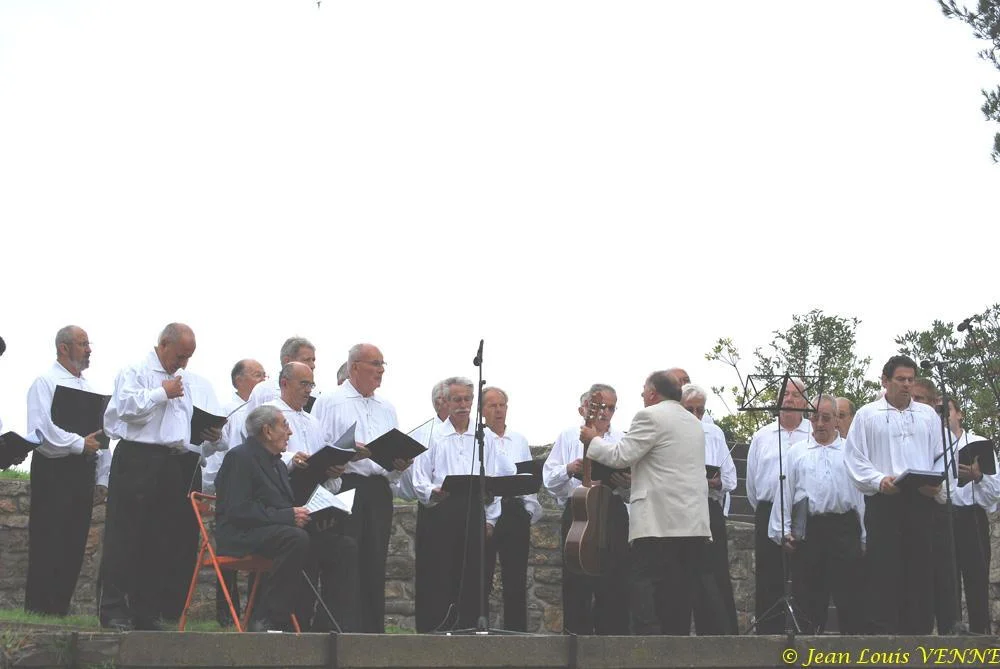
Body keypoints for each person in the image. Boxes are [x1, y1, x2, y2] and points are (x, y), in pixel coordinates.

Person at [581, 370, 710, 635]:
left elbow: (620, 456)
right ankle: (675, 645)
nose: (642, 396)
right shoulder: (693, 422)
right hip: (692, 522)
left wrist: (592, 440)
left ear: (652, 393)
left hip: (658, 520)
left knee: (641, 581)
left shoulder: (650, 415)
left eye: (643, 392)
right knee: (678, 589)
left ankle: (647, 641)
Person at [99, 323, 208, 630]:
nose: (184, 363)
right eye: (180, 355)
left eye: (189, 357)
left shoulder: (181, 379)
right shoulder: (134, 371)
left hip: (171, 461)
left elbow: (179, 423)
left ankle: (145, 611)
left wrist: (203, 431)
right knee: (126, 536)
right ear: (163, 344)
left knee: (160, 538)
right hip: (137, 458)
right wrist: (162, 393)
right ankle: (113, 610)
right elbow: (126, 410)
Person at [312, 343, 410, 633]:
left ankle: (372, 629)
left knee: (375, 558)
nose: (381, 370)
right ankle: (342, 627)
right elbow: (318, 445)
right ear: (354, 367)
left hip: (378, 487)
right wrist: (344, 453)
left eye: (383, 364)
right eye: (375, 364)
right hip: (347, 484)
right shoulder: (331, 401)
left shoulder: (387, 407)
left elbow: (392, 448)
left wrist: (399, 463)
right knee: (346, 556)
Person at [845, 355, 944, 634]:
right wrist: (878, 480)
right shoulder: (867, 414)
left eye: (911, 380)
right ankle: (884, 632)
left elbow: (940, 454)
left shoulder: (927, 415)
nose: (906, 385)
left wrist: (936, 481)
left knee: (920, 567)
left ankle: (919, 631)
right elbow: (854, 458)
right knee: (884, 568)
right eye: (900, 379)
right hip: (885, 500)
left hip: (920, 499)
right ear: (885, 381)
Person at [265, 362, 360, 632]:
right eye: (303, 384)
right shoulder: (268, 413)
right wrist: (290, 459)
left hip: (314, 498)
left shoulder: (313, 422)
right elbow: (257, 458)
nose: (308, 391)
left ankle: (330, 624)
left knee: (346, 548)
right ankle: (292, 623)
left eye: (311, 385)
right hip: (283, 500)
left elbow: (323, 463)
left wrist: (333, 470)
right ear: (284, 383)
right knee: (302, 548)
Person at [410, 377, 509, 632]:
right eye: (457, 400)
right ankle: (435, 628)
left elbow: (493, 480)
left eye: (467, 399)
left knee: (472, 575)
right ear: (446, 402)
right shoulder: (431, 433)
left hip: (472, 509)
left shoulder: (483, 436)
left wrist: (490, 519)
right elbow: (418, 477)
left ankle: (469, 628)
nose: (463, 405)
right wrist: (433, 491)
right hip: (441, 510)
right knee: (438, 574)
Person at [24, 326, 104, 616]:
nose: (89, 349)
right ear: (63, 348)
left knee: (74, 539)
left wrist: (101, 470)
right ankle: (38, 608)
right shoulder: (44, 382)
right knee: (48, 537)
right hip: (54, 468)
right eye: (83, 344)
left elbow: (101, 435)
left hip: (81, 470)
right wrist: (78, 443)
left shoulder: (90, 388)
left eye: (88, 343)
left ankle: (59, 607)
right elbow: (41, 430)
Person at [769, 394, 864, 634]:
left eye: (826, 418)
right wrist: (782, 530)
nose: (820, 423)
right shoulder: (797, 452)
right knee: (808, 597)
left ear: (836, 420)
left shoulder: (850, 451)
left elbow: (859, 496)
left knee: (851, 597)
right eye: (815, 418)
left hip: (844, 528)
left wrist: (865, 534)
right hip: (810, 530)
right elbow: (786, 491)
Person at [542, 384, 630, 635]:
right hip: (578, 510)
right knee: (576, 580)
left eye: (611, 408)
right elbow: (549, 478)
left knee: (615, 581)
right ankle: (575, 644)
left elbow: (632, 488)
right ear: (588, 408)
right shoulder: (570, 435)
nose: (605, 413)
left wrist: (625, 482)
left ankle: (612, 643)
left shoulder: (622, 439)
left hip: (611, 510)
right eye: (601, 407)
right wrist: (569, 468)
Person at [214, 405, 311, 632]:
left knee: (341, 544)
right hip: (240, 534)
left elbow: (282, 505)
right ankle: (268, 617)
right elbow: (238, 510)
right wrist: (288, 516)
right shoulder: (239, 457)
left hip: (270, 531)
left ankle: (324, 621)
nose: (290, 433)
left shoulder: (277, 463)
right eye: (285, 426)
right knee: (295, 539)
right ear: (267, 431)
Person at [745, 376, 811, 634]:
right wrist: (767, 512)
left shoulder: (811, 434)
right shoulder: (762, 436)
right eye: (785, 394)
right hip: (767, 508)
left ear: (805, 401)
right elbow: (751, 483)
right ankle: (767, 634)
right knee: (768, 576)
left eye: (795, 395)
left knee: (805, 574)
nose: (789, 399)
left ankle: (806, 630)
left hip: (802, 511)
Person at [482, 386, 542, 632]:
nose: (498, 410)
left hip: (515, 511)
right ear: (482, 410)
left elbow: (527, 477)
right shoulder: (479, 440)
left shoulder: (519, 439)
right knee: (482, 576)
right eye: (492, 405)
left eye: (502, 405)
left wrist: (528, 510)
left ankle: (517, 634)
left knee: (516, 578)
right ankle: (478, 630)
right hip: (486, 511)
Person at [681, 383, 738, 634]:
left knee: (714, 576)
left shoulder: (714, 433)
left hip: (709, 507)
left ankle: (720, 637)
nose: (695, 416)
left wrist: (717, 482)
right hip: (680, 510)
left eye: (700, 411)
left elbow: (732, 478)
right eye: (689, 410)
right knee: (681, 576)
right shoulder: (670, 432)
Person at [942, 397, 998, 634]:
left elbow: (995, 491)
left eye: (947, 411)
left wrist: (979, 477)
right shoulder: (932, 446)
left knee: (976, 579)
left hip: (972, 516)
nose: (943, 416)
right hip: (943, 517)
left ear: (959, 414)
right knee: (946, 582)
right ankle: (949, 636)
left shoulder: (979, 443)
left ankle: (981, 634)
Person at [911, 379, 959, 634]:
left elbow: (947, 480)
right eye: (913, 399)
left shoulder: (946, 436)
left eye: (920, 399)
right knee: (915, 585)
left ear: (933, 404)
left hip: (937, 513)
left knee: (943, 581)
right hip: (909, 514)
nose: (915, 404)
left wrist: (934, 488)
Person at [246, 337, 317, 410]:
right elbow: (251, 420)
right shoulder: (263, 391)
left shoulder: (316, 394)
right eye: (307, 360)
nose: (312, 365)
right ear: (287, 361)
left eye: (313, 360)